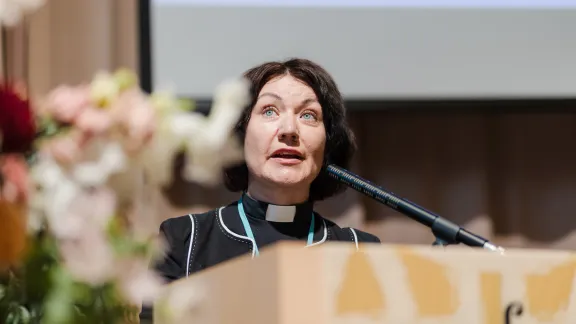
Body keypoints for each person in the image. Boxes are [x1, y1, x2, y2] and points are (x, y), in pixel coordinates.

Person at [139, 58, 380, 321]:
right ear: (239, 135)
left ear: (328, 143)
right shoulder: (184, 240)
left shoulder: (361, 252)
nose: (289, 130)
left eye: (308, 115)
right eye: (269, 111)